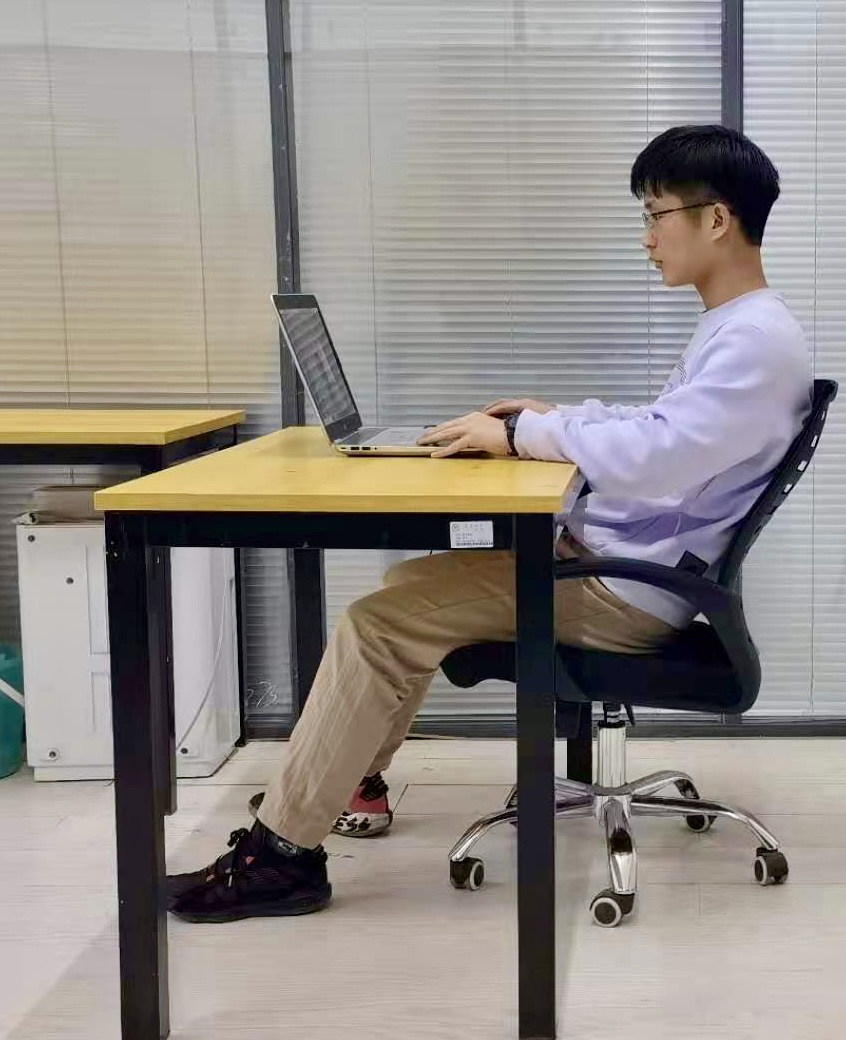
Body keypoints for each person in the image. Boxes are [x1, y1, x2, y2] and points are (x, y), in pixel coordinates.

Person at [166, 124, 813, 923]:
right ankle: (347, 779)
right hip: (628, 563)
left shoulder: (753, 339)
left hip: (629, 591)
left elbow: (659, 458)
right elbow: (666, 427)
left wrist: (520, 435)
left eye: (656, 215)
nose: (647, 237)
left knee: (379, 623)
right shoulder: (741, 326)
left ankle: (283, 858)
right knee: (410, 583)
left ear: (715, 219)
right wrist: (555, 416)